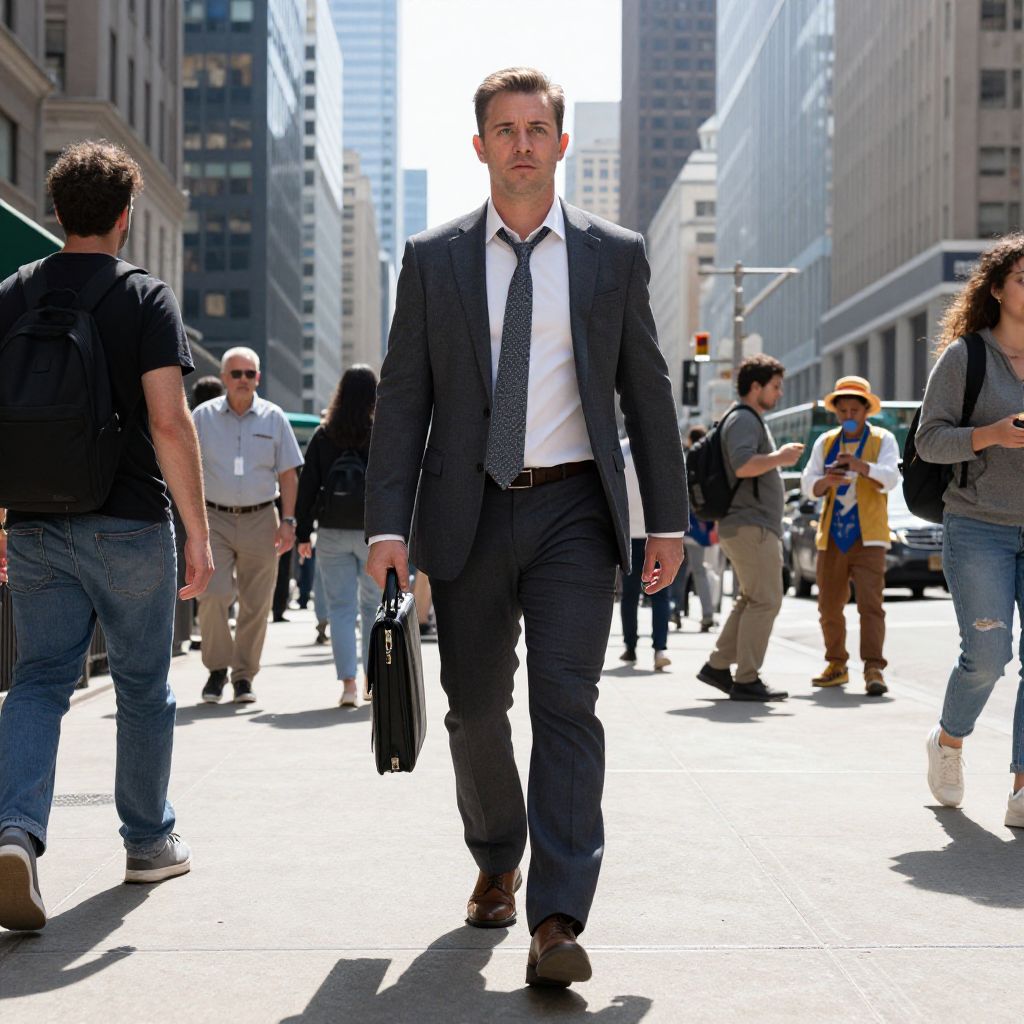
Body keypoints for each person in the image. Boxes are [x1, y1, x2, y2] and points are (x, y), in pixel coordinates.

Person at [364, 67, 686, 988]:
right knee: (474, 710)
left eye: (536, 127)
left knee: (567, 703)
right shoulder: (432, 260)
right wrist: (389, 525)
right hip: (464, 511)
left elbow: (647, 390)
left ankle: (557, 915)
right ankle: (498, 853)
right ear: (480, 146)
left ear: (560, 142)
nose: (521, 143)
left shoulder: (612, 254)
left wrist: (666, 517)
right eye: (503, 129)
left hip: (575, 513)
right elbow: (402, 403)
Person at [0, 140, 214, 930]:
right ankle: (149, 840)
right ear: (126, 217)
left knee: (39, 681)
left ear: (58, 212)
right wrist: (197, 530)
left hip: (33, 524)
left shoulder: (11, 296)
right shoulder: (145, 298)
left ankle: (15, 831)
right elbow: (168, 418)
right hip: (125, 521)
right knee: (142, 685)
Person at [915, 232, 1024, 825]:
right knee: (986, 655)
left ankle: (1022, 788)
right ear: (1000, 289)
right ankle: (948, 743)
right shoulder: (966, 357)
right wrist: (992, 434)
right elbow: (929, 440)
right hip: (979, 524)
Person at [192, 347, 303, 705]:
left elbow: (288, 474)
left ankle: (243, 677)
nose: (243, 380)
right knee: (212, 593)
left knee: (257, 603)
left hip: (260, 518)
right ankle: (216, 669)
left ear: (258, 378)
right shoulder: (202, 417)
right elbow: (187, 470)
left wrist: (288, 521)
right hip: (214, 519)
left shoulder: (274, 418)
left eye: (250, 374)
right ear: (224, 378)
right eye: (236, 374)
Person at [697, 355, 803, 701]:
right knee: (767, 600)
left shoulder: (743, 418)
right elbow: (743, 465)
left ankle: (717, 666)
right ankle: (746, 678)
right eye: (775, 386)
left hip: (745, 525)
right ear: (755, 387)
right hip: (750, 525)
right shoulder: (744, 420)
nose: (780, 393)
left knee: (750, 599)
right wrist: (780, 458)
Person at [800, 376, 900, 696]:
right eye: (842, 410)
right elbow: (808, 484)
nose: (848, 415)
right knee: (829, 604)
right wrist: (827, 481)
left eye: (854, 409)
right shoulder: (826, 442)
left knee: (871, 605)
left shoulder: (883, 440)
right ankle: (836, 664)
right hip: (832, 536)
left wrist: (860, 466)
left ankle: (873, 668)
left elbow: (891, 478)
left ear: (866, 410)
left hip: (869, 536)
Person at [295, 365, 380, 708]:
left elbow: (307, 487)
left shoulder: (324, 434)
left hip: (330, 532)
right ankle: (372, 682)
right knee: (373, 608)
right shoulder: (380, 432)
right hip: (371, 533)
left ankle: (347, 685)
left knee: (341, 610)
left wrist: (303, 533)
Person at [619, 435, 671, 670]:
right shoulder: (662, 449)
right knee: (660, 594)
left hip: (629, 533)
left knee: (629, 596)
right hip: (657, 533)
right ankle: (659, 649)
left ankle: (630, 647)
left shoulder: (619, 449)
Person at [673, 425, 718, 632]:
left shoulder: (687, 459)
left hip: (682, 525)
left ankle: (675, 609)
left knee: (677, 570)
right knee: (699, 571)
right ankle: (707, 614)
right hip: (699, 525)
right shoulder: (709, 461)